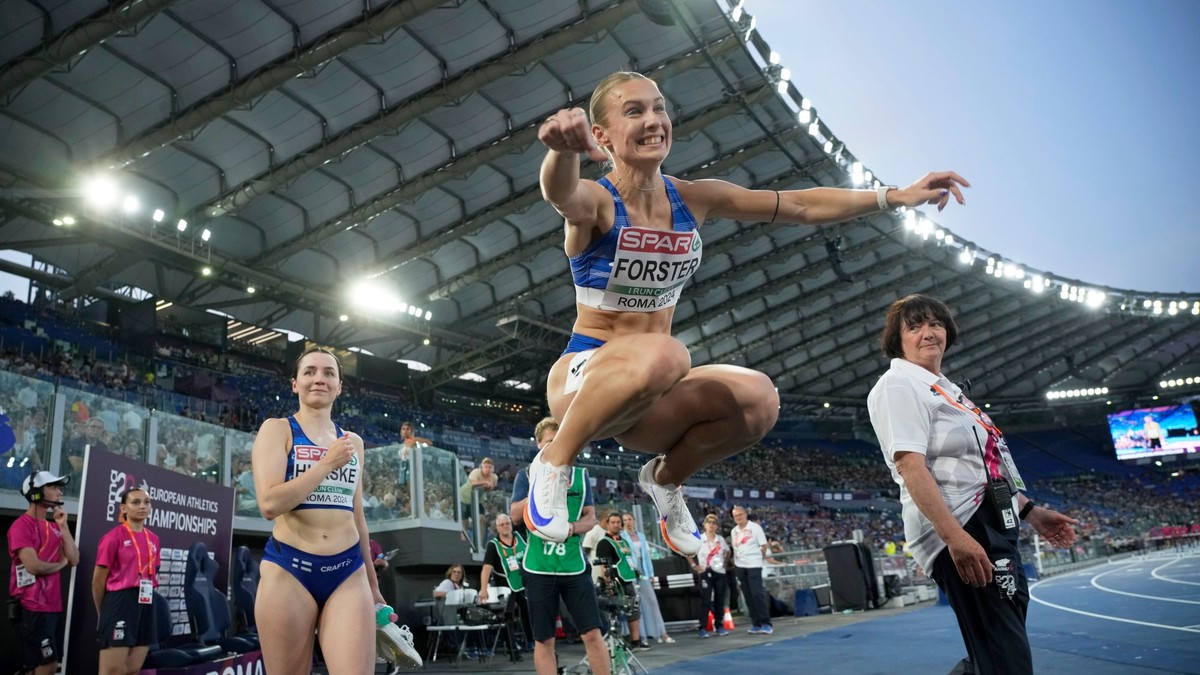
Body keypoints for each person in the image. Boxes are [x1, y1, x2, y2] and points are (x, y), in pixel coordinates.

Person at [526, 70, 969, 557]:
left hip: (649, 398)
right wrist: (562, 151)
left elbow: (799, 205)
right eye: (634, 111)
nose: (653, 120)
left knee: (760, 400)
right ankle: (554, 459)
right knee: (669, 353)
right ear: (603, 136)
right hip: (584, 379)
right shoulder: (598, 202)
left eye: (659, 107)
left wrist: (895, 196)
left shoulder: (693, 198)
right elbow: (561, 194)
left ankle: (664, 479)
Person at [866, 294, 1078, 675]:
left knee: (996, 649)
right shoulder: (898, 385)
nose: (928, 332)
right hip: (962, 526)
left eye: (935, 323)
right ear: (897, 341)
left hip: (995, 523)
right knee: (1006, 659)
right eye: (914, 326)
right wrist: (956, 538)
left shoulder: (946, 389)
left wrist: (1030, 512)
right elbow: (911, 467)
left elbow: (985, 468)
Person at [251, 346, 420, 673]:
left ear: (340, 386)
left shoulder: (352, 443)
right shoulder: (278, 429)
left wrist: (373, 587)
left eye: (329, 373)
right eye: (310, 372)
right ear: (295, 384)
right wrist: (326, 464)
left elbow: (357, 517)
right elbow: (270, 504)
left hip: (347, 571)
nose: (319, 379)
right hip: (290, 568)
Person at [511, 417, 610, 675]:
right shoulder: (525, 475)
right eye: (549, 443)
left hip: (574, 566)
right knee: (544, 639)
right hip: (538, 566)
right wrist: (539, 481)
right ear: (538, 445)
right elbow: (514, 515)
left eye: (560, 442)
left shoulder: (580, 475)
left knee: (592, 633)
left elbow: (590, 517)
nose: (555, 447)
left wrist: (571, 528)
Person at [7, 471, 78, 675]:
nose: (59, 492)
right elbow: (34, 566)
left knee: (43, 664)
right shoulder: (21, 526)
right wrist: (60, 564)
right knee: (47, 664)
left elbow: (74, 559)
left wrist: (63, 527)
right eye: (53, 487)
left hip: (52, 606)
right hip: (31, 607)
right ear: (36, 494)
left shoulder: (54, 526)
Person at [92, 487, 158, 675]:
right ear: (123, 508)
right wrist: (103, 612)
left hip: (146, 601)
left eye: (146, 502)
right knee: (112, 670)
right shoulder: (113, 538)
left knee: (132, 668)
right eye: (136, 502)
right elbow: (97, 582)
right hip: (119, 602)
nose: (142, 506)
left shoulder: (154, 539)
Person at [594, 511, 652, 650]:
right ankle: (616, 644)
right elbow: (604, 566)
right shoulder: (604, 542)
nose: (616, 525)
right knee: (615, 613)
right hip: (615, 582)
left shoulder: (624, 541)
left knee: (634, 610)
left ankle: (635, 641)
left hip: (628, 580)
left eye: (618, 522)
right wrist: (609, 584)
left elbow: (628, 560)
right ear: (607, 524)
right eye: (612, 522)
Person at [479, 513, 532, 662]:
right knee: (508, 618)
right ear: (497, 527)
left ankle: (534, 642)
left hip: (524, 583)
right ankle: (513, 651)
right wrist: (483, 588)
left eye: (507, 523)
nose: (505, 526)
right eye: (502, 524)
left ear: (511, 524)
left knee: (532, 612)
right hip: (505, 586)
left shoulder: (520, 537)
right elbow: (486, 568)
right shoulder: (493, 545)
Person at [621, 511, 672, 644]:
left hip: (643, 571)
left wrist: (651, 574)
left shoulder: (641, 536)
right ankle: (641, 636)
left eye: (629, 519)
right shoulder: (621, 537)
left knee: (652, 601)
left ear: (634, 521)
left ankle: (662, 633)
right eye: (625, 520)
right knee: (636, 605)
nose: (627, 522)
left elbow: (647, 558)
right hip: (631, 573)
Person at [730, 505, 778, 635]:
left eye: (740, 515)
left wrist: (758, 559)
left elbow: (763, 546)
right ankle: (756, 623)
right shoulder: (734, 531)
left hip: (754, 565)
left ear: (745, 514)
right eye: (735, 516)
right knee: (748, 596)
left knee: (757, 594)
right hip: (740, 565)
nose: (738, 518)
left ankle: (766, 623)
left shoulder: (755, 528)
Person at [690, 513, 729, 638]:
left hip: (719, 572)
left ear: (717, 526)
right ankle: (702, 627)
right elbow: (688, 552)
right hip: (705, 571)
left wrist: (725, 563)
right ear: (704, 525)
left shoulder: (720, 540)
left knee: (719, 599)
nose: (711, 525)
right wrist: (694, 566)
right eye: (709, 522)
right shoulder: (699, 539)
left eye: (714, 523)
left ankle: (719, 626)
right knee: (705, 600)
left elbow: (728, 552)